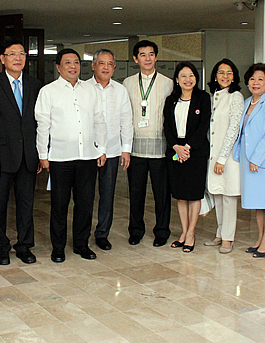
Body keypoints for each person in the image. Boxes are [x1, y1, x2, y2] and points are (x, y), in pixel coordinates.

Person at [36, 48, 106, 262]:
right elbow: (43, 125)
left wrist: (101, 148)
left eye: (76, 62)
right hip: (60, 157)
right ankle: (58, 247)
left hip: (87, 157)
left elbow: (99, 120)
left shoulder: (90, 90)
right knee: (59, 204)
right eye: (67, 62)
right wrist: (42, 153)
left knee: (85, 203)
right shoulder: (48, 91)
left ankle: (81, 244)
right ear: (58, 67)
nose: (73, 66)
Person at [0, 38, 43, 266]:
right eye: (12, 53)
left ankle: (24, 246)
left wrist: (38, 154)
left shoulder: (36, 85)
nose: (18, 58)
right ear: (2, 58)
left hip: (28, 155)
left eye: (22, 54)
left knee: (27, 204)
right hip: (1, 157)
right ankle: (2, 246)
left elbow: (40, 123)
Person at [122, 40, 174, 247]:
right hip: (135, 147)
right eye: (142, 55)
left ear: (156, 57)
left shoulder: (168, 83)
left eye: (151, 54)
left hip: (160, 147)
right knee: (136, 192)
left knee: (162, 193)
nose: (147, 58)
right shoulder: (127, 83)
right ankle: (136, 230)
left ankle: (162, 230)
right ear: (136, 59)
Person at [85, 49, 133, 251]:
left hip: (113, 150)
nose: (106, 67)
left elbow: (126, 120)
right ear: (93, 65)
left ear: (114, 67)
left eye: (110, 64)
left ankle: (102, 233)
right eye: (101, 63)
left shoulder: (120, 90)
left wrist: (126, 149)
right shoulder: (83, 88)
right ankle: (82, 233)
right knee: (85, 195)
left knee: (107, 194)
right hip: (87, 151)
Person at [233, 63, 265, 258]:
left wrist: (257, 158)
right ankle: (261, 238)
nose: (256, 82)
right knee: (257, 202)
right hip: (248, 159)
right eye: (252, 79)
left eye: (260, 79)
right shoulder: (246, 102)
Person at [163, 62, 211, 253]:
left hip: (196, 151)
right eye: (183, 76)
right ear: (177, 79)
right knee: (181, 196)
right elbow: (167, 126)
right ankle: (183, 231)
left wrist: (187, 148)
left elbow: (202, 126)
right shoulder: (171, 100)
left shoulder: (203, 98)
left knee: (194, 194)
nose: (188, 79)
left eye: (191, 75)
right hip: (176, 150)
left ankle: (191, 233)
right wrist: (176, 147)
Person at [203, 59, 243, 254]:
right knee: (217, 194)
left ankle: (228, 238)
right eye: (221, 72)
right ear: (215, 75)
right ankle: (219, 233)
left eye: (229, 72)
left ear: (234, 76)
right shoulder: (214, 96)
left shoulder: (235, 96)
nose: (225, 76)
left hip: (227, 157)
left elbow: (234, 129)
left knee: (228, 197)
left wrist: (222, 158)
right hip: (213, 155)